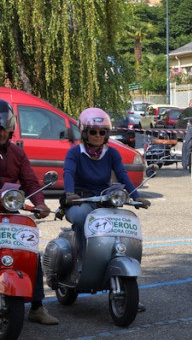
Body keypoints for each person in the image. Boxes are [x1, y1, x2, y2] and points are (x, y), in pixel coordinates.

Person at [0, 99, 58, 325]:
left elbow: (31, 181)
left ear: (11, 126)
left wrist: (40, 203)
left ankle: (36, 306)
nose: (1, 131)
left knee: (30, 250)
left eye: (4, 125)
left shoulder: (17, 153)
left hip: (9, 211)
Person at [64, 108, 151, 254]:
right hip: (81, 201)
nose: (98, 135)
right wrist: (69, 194)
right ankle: (82, 259)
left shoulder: (112, 153)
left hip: (104, 201)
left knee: (120, 223)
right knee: (81, 217)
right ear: (84, 132)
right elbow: (68, 173)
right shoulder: (75, 153)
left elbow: (122, 175)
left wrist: (137, 197)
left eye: (102, 132)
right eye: (93, 131)